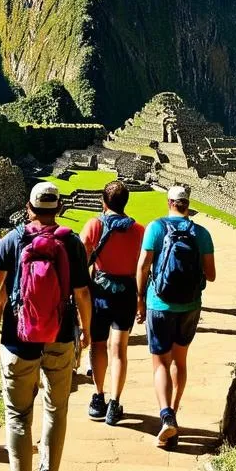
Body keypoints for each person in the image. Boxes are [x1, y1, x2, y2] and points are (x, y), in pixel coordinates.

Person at [0, 182, 91, 471]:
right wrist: (85, 331)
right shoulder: (71, 243)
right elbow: (81, 292)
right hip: (60, 338)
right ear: (57, 208)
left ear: (28, 207)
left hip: (19, 340)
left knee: (18, 418)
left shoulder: (12, 241)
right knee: (56, 410)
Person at [136, 185, 216, 449]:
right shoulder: (201, 233)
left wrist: (141, 298)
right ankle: (174, 411)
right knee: (179, 360)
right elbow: (212, 274)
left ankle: (165, 415)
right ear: (187, 204)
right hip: (190, 306)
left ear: (169, 202)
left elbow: (143, 266)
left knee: (160, 362)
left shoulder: (156, 228)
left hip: (159, 304)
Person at [80, 180, 145, 425]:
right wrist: (141, 299)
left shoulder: (94, 225)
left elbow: (82, 263)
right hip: (126, 292)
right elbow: (143, 269)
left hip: (99, 292)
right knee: (119, 349)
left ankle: (98, 397)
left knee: (98, 345)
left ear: (103, 202)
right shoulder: (139, 230)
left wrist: (81, 297)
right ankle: (115, 403)